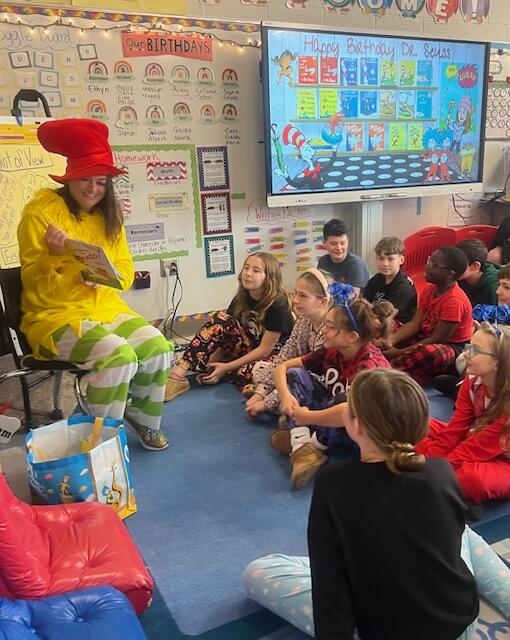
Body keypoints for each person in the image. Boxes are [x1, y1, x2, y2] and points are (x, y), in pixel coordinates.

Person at [243, 369, 510, 640]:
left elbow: (329, 582)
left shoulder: (333, 484)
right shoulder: (440, 471)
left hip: (381, 632)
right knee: (462, 532)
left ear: (356, 426)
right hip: (461, 627)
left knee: (260, 571)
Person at [17, 119, 172, 451]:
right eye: (85, 179)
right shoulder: (41, 214)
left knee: (158, 346)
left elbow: (126, 270)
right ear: (69, 178)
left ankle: (142, 418)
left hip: (105, 308)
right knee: (119, 356)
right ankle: (100, 440)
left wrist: (105, 276)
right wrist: (53, 257)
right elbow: (32, 284)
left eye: (101, 181)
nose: (93, 189)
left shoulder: (109, 217)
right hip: (55, 317)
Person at [271, 298, 392, 489]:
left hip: (365, 433)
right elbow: (282, 368)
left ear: (352, 337)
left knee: (346, 404)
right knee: (294, 374)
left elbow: (350, 412)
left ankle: (308, 442)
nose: (323, 331)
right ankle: (302, 446)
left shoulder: (368, 367)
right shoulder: (332, 350)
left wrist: (307, 416)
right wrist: (286, 396)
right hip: (336, 413)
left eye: (331, 327)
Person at [164, 252, 293, 401]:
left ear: (269, 277)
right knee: (220, 319)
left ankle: (244, 380)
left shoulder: (278, 305)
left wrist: (226, 367)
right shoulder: (241, 298)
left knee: (251, 372)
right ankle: (178, 375)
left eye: (256, 270)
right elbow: (224, 333)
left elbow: (264, 351)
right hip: (247, 347)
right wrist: (212, 364)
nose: (248, 273)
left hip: (272, 354)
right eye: (246, 268)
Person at [417, 322, 510, 504]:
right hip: (478, 437)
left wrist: (430, 467)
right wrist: (432, 460)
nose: (465, 354)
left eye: (475, 350)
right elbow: (456, 429)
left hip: (503, 457)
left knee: (471, 479)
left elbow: (477, 447)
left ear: (497, 363)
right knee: (416, 424)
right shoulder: (471, 382)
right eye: (469, 346)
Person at [244, 268, 334, 418]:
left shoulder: (330, 330)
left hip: (322, 386)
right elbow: (285, 355)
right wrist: (261, 392)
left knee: (292, 376)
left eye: (303, 295)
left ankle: (293, 413)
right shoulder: (303, 320)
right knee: (260, 368)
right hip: (300, 374)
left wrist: (267, 402)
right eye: (295, 293)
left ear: (322, 302)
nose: (295, 300)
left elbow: (313, 374)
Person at [384, 246, 473, 384]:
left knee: (430, 353)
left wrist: (398, 352)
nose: (427, 266)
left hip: (449, 347)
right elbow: (415, 324)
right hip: (424, 337)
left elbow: (437, 339)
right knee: (389, 325)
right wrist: (391, 340)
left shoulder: (455, 301)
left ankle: (389, 370)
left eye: (434, 265)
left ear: (450, 274)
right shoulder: (429, 289)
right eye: (429, 260)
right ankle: (408, 367)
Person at [362, 235, 417, 325]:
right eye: (381, 258)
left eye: (390, 259)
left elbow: (386, 320)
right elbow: (364, 305)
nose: (385, 264)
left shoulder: (404, 287)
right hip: (375, 320)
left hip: (395, 326)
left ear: (401, 260)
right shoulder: (376, 279)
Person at [317, 218, 369, 296]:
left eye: (342, 243)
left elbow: (352, 297)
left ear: (348, 241)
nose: (339, 248)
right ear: (324, 243)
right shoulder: (323, 261)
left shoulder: (356, 265)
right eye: (334, 244)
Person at [457, 239, 500, 306]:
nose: (451, 267)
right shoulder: (461, 279)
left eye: (458, 264)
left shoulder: (494, 288)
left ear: (475, 266)